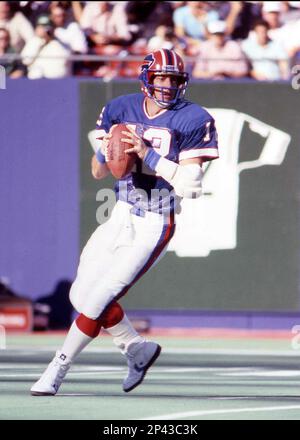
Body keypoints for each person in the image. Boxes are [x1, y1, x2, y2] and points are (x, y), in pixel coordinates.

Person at [30, 49, 219, 396]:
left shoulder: (194, 118)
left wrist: (147, 155)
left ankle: (57, 368)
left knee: (99, 297)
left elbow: (191, 187)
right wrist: (111, 149)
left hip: (156, 220)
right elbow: (99, 170)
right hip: (120, 212)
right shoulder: (121, 108)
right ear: (147, 77)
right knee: (80, 293)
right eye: (161, 78)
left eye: (174, 79)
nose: (168, 85)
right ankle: (136, 348)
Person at [21, 14, 71, 79]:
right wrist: (40, 40)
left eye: (48, 26)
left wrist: (50, 38)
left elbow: (66, 59)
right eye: (41, 27)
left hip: (57, 82)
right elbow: (25, 60)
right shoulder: (34, 41)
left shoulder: (61, 42)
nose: (45, 30)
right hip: (37, 82)